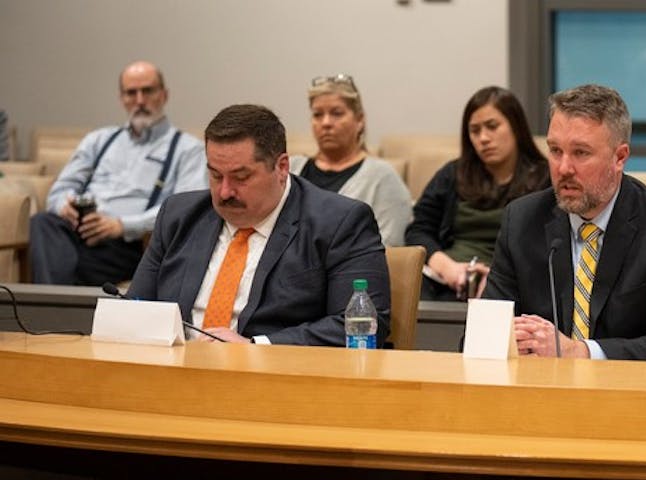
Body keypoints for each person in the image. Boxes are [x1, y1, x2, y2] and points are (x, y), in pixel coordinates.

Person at [127, 104, 390, 346]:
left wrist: (256, 347)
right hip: (175, 372)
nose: (224, 192)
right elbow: (135, 309)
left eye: (241, 177)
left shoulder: (339, 222)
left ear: (282, 167)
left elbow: (362, 325)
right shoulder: (179, 215)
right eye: (216, 175)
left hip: (274, 380)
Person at [483, 83, 646, 361]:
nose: (563, 168)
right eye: (555, 151)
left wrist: (580, 352)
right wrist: (506, 341)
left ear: (620, 157)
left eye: (581, 153)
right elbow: (478, 337)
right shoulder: (522, 220)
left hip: (632, 397)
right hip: (542, 394)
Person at [29, 61, 205, 286]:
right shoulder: (99, 140)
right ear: (121, 98)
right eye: (131, 93)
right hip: (77, 234)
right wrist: (65, 206)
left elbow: (184, 209)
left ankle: (46, 314)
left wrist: (122, 225)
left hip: (128, 244)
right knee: (43, 222)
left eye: (148, 91)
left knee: (58, 262)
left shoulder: (188, 149)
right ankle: (56, 309)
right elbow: (60, 190)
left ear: (164, 95)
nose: (140, 100)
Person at [406, 86, 549, 300]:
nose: (483, 138)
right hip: (448, 276)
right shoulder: (453, 173)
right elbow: (418, 230)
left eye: (492, 126)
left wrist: (499, 276)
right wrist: (446, 266)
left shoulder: (545, 177)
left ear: (516, 127)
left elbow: (548, 247)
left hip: (511, 280)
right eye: (474, 130)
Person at [291, 74, 412, 247]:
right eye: (317, 114)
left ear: (360, 120)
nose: (326, 123)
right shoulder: (290, 169)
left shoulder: (382, 177)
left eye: (337, 113)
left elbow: (389, 249)